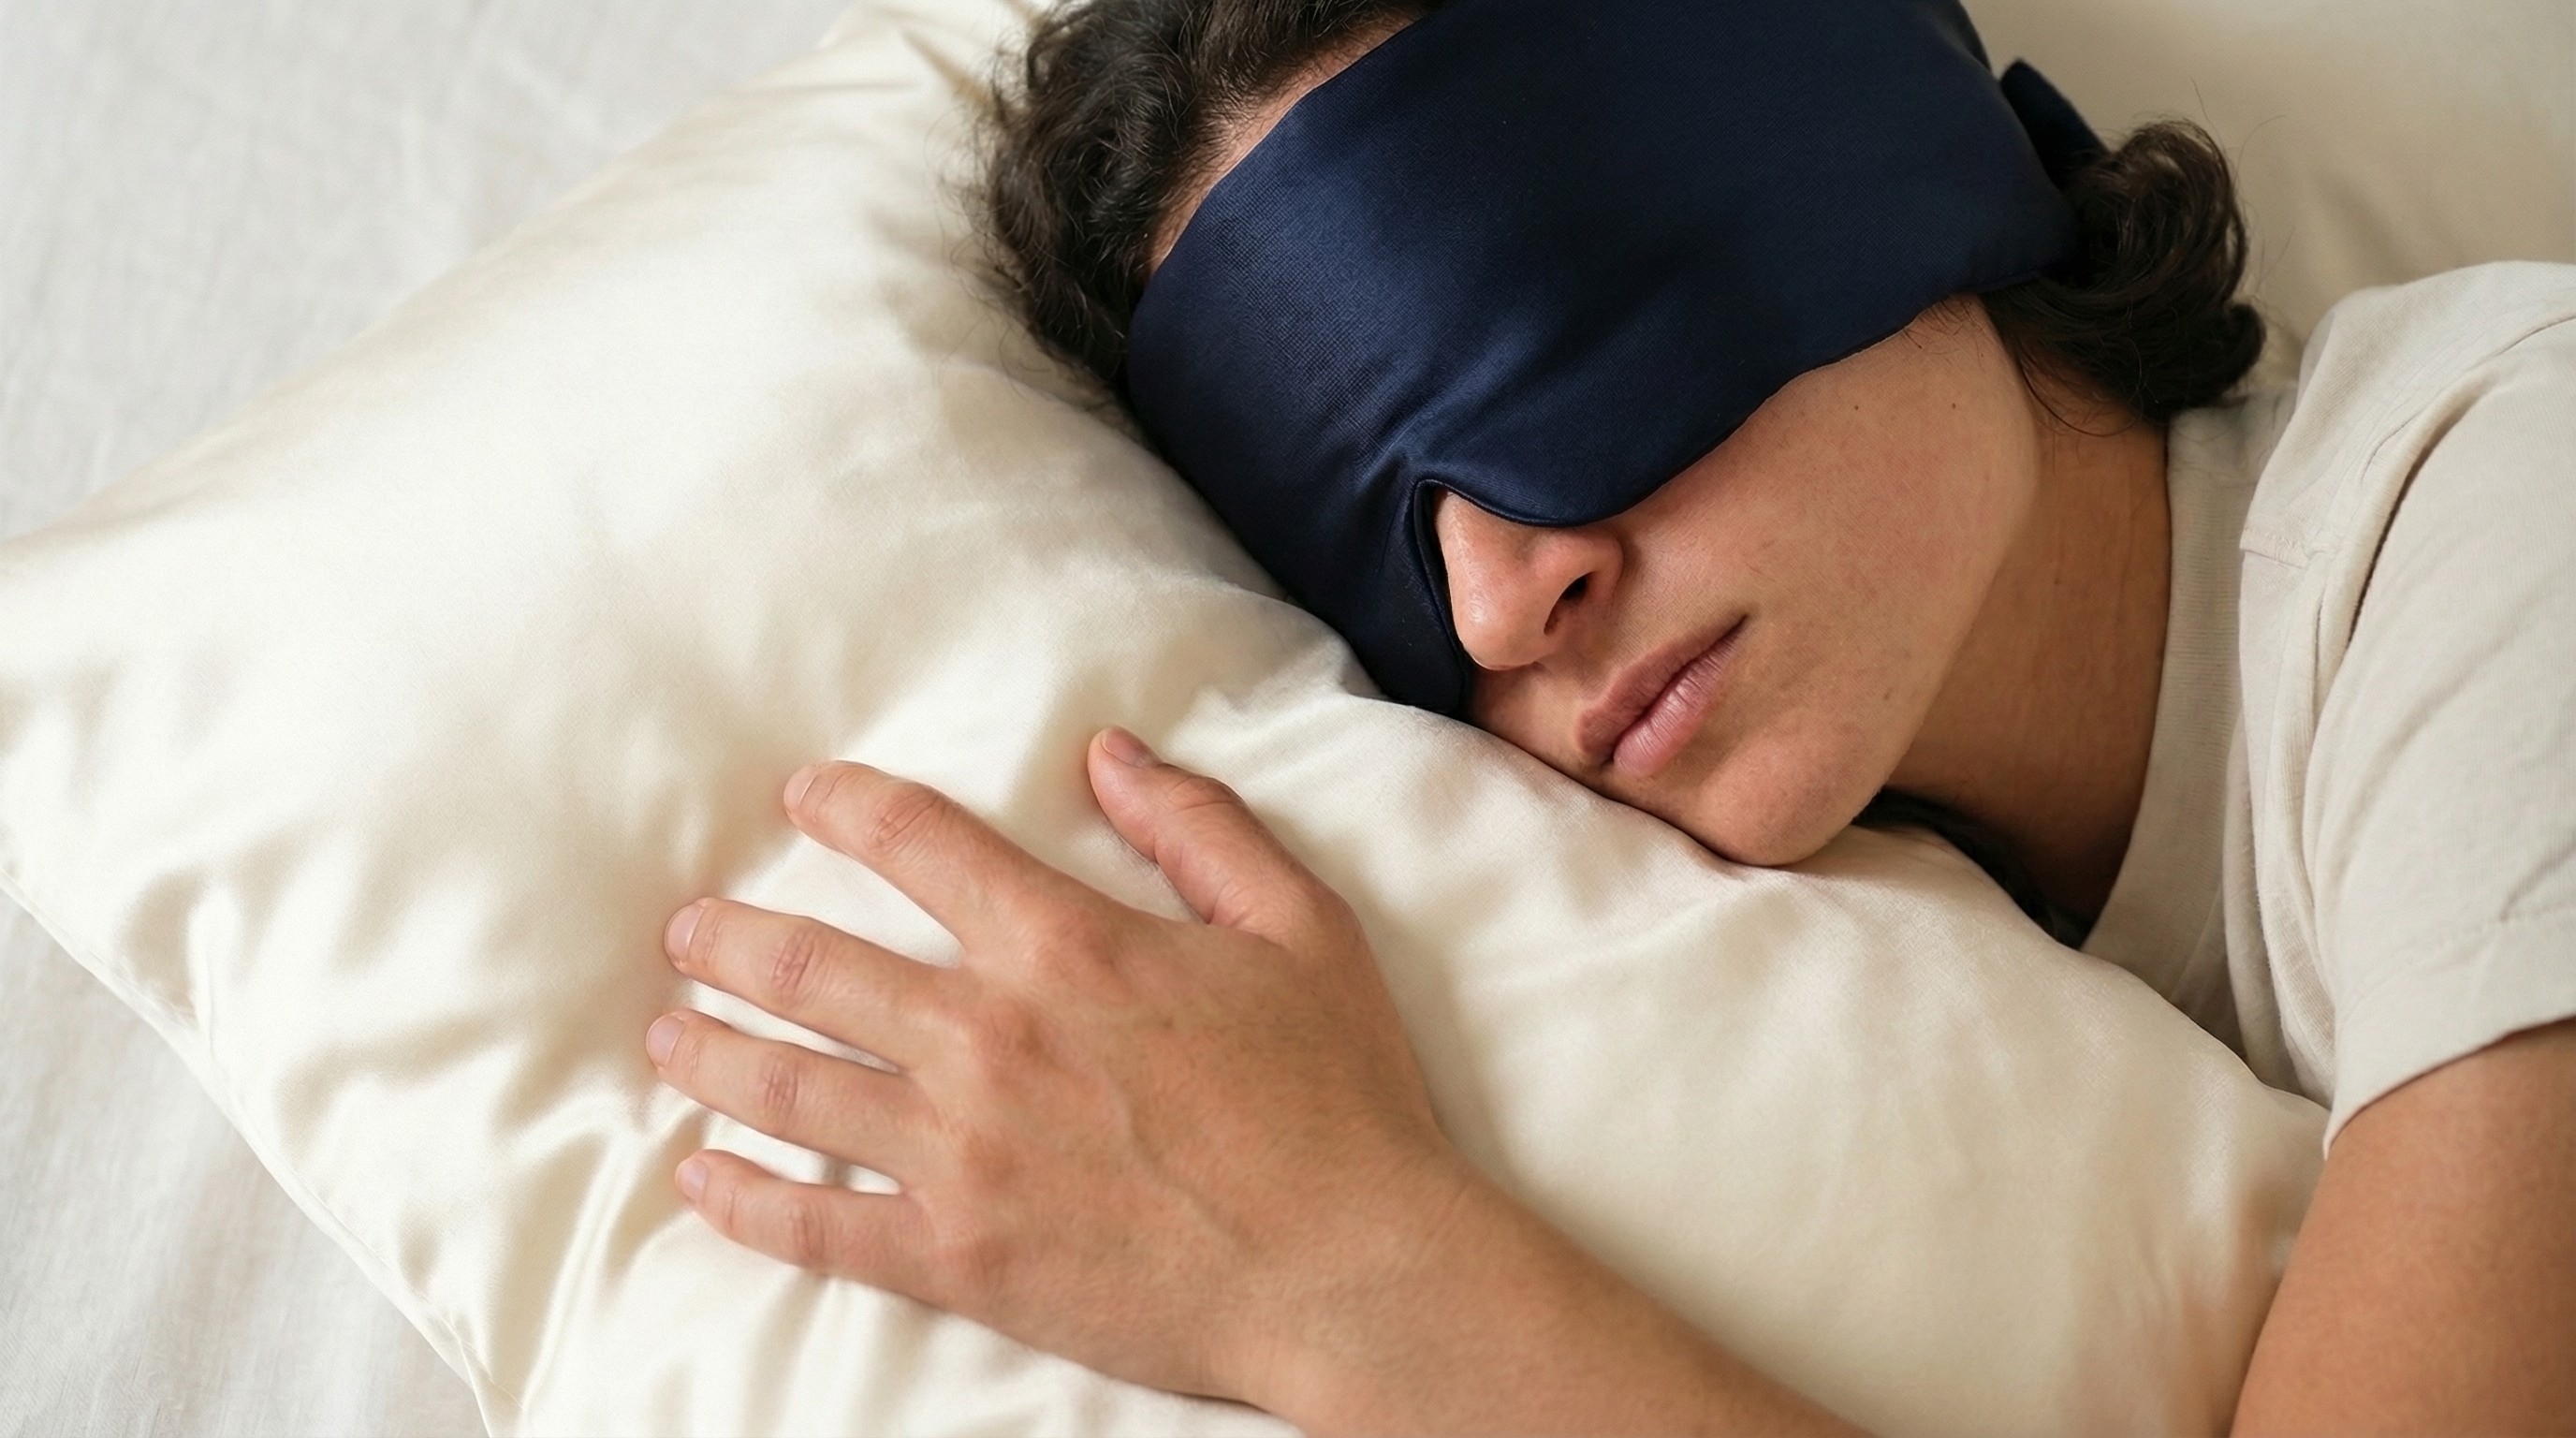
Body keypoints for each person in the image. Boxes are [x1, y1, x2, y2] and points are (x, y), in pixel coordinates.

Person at [637, 0, 2576, 1431]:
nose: (1495, 594)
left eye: (1529, 340)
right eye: (1368, 536)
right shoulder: (1944, 981)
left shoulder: (2517, 494)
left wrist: (1336, 1278)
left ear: (1841, 141)